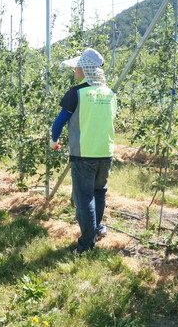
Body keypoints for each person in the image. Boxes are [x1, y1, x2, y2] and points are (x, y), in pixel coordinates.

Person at [50, 48, 117, 254]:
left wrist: (54, 141)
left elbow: (58, 123)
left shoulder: (76, 93)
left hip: (84, 154)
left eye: (76, 67)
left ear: (85, 70)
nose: (74, 71)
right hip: (106, 152)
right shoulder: (110, 93)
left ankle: (86, 244)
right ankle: (97, 229)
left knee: (84, 198)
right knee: (99, 192)